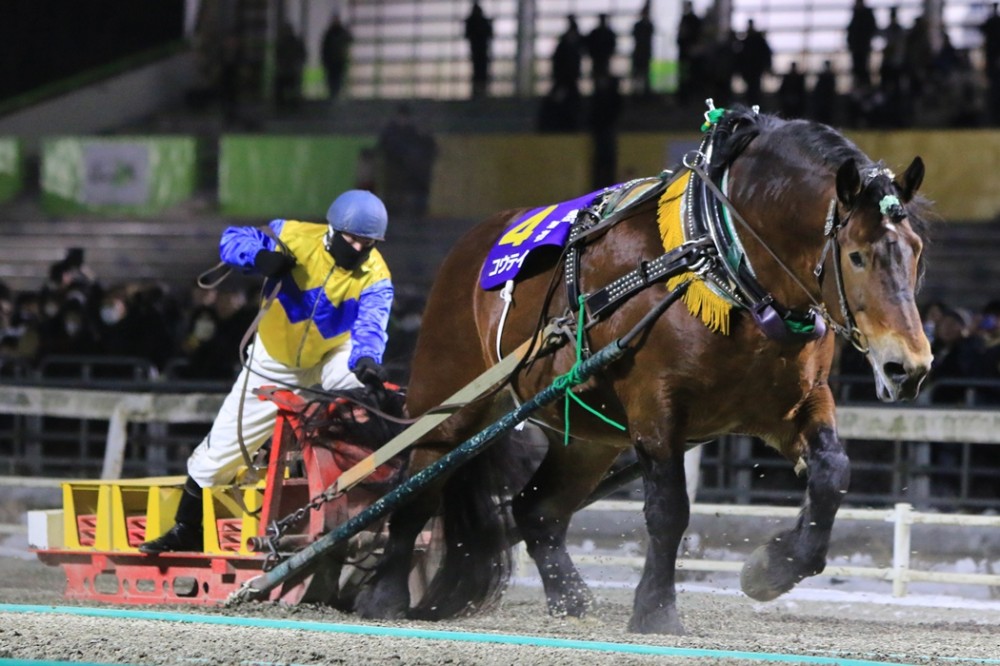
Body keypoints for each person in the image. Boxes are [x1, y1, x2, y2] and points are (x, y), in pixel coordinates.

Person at [139, 190, 395, 553]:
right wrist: (258, 257)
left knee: (364, 382)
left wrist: (368, 358)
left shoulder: (377, 276)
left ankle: (382, 468)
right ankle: (186, 529)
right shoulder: (293, 235)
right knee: (216, 457)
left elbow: (372, 324)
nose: (357, 249)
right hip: (272, 361)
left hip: (329, 356)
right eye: (352, 239)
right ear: (333, 230)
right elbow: (232, 239)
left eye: (367, 243)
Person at [737, 19, 772, 104]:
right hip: (753, 69)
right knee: (753, 89)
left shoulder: (749, 41)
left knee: (753, 90)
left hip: (753, 69)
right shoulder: (755, 40)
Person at [464, 2, 493, 98]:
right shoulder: (483, 22)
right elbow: (489, 34)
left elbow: (467, 35)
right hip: (481, 51)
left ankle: (478, 90)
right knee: (481, 71)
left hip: (477, 51)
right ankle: (481, 90)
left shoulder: (471, 22)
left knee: (478, 71)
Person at [846, 0, 877, 88]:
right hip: (859, 47)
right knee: (860, 69)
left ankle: (863, 86)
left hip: (861, 47)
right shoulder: (858, 15)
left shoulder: (861, 15)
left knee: (862, 68)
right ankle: (862, 86)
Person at [321, 15, 353, 100]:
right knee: (335, 79)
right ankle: (334, 95)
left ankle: (335, 95)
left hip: (337, 60)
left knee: (336, 79)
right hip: (336, 60)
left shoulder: (330, 33)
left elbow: (349, 40)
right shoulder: (333, 33)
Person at [676, 1, 703, 102]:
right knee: (688, 75)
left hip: (686, 54)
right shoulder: (693, 20)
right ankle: (687, 97)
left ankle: (684, 97)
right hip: (690, 54)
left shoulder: (687, 20)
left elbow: (681, 37)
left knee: (686, 75)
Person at [630, 2, 654, 97]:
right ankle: (640, 94)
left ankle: (642, 94)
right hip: (642, 52)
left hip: (642, 52)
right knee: (640, 74)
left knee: (642, 74)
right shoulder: (646, 26)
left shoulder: (643, 26)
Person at [586, 13, 617, 81]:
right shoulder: (608, 33)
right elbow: (612, 46)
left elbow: (589, 45)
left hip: (598, 59)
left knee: (598, 77)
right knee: (603, 77)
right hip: (603, 59)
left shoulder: (595, 33)